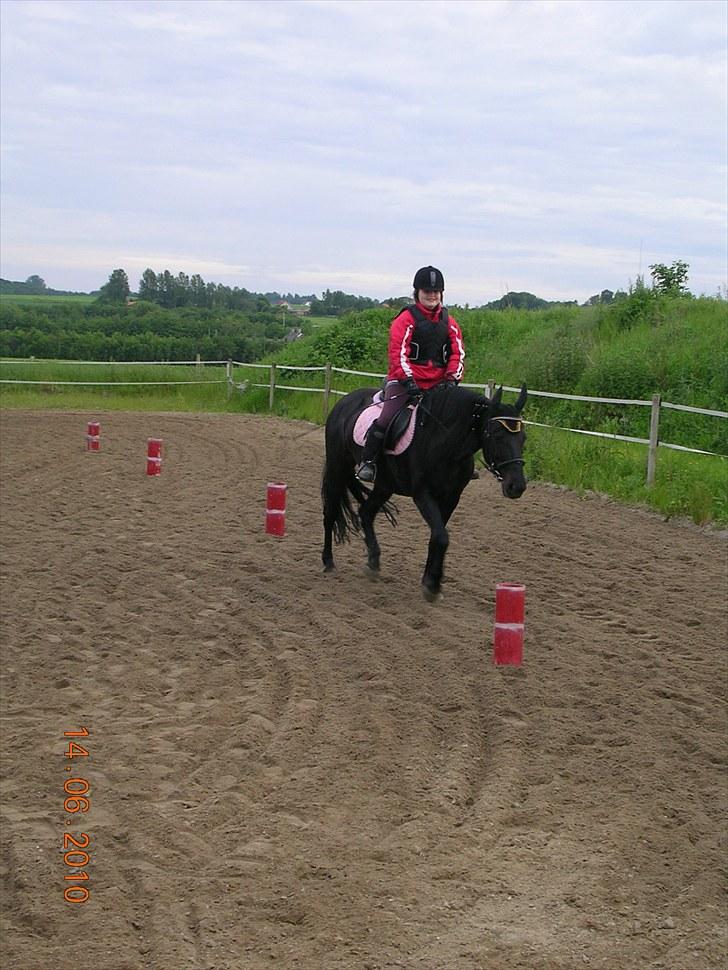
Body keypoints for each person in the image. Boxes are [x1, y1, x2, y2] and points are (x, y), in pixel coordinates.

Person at [356, 265, 465, 482]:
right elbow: (398, 354)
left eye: (435, 291)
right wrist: (408, 380)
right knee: (387, 418)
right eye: (427, 291)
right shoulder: (405, 320)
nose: (432, 295)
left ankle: (460, 463)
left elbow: (457, 353)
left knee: (460, 418)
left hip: (438, 385)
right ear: (417, 293)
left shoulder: (449, 323)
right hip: (405, 382)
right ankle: (368, 461)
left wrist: (452, 379)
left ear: (441, 293)